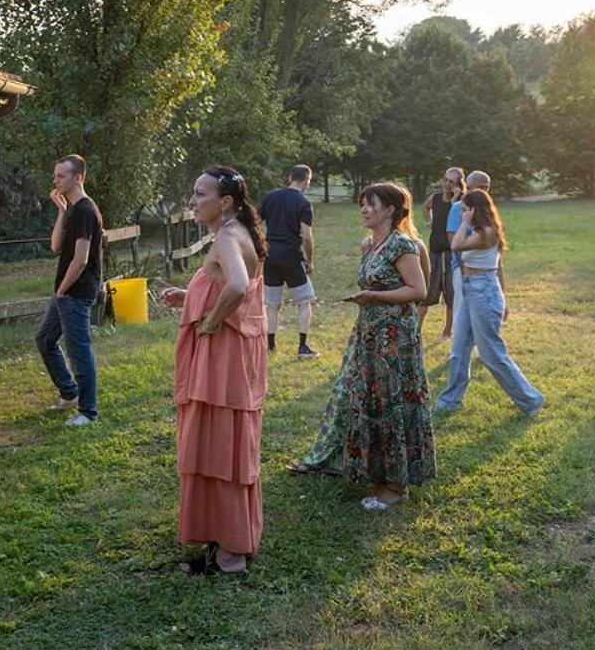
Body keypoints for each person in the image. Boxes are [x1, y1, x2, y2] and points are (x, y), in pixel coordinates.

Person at [289, 182, 435, 510]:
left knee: (392, 403)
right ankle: (380, 477)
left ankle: (396, 487)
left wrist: (373, 297)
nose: (364, 209)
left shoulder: (402, 245)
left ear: (391, 210)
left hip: (395, 340)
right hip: (371, 336)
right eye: (363, 204)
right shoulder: (373, 244)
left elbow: (418, 290)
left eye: (371, 204)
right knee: (373, 403)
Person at [160, 167, 268, 575]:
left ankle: (230, 556)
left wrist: (210, 321)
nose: (192, 201)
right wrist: (190, 298)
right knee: (222, 442)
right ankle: (228, 540)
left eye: (199, 194)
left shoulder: (226, 235)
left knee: (221, 444)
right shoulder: (238, 231)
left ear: (225, 203)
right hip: (235, 354)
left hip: (224, 356)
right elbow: (230, 283)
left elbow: (238, 287)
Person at [437, 188, 544, 416]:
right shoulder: (478, 229)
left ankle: (530, 400)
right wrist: (467, 222)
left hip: (483, 292)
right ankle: (449, 402)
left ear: (476, 209)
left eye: (465, 209)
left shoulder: (486, 232)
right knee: (458, 350)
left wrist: (464, 223)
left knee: (491, 353)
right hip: (469, 289)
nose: (462, 213)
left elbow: (454, 246)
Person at [38, 154, 103, 427]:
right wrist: (61, 211)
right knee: (45, 339)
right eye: (55, 175)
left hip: (76, 291)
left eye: (61, 176)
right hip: (65, 291)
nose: (55, 180)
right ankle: (69, 393)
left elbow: (81, 259)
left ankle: (88, 412)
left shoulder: (87, 210)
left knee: (79, 351)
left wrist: (62, 290)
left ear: (79, 178)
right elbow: (55, 247)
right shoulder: (74, 210)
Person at [256, 164, 318, 358]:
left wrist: (261, 246)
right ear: (307, 181)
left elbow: (255, 221)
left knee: (272, 303)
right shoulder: (303, 203)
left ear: (290, 176)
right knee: (304, 300)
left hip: (270, 255)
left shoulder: (271, 197)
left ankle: (270, 345)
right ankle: (302, 346)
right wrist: (309, 260)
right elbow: (307, 237)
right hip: (291, 255)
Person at [422, 167, 465, 339]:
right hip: (434, 252)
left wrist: (455, 198)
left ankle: (447, 332)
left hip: (451, 255)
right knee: (426, 292)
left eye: (452, 182)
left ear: (459, 185)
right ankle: (415, 332)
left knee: (450, 294)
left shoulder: (461, 203)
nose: (447, 184)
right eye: (445, 180)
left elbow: (452, 219)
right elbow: (425, 208)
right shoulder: (436, 198)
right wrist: (430, 220)